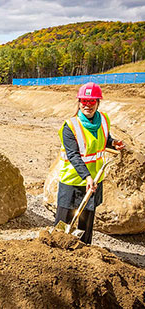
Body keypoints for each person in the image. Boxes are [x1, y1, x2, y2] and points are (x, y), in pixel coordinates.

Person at [54, 82, 124, 244]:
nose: (88, 105)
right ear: (79, 102)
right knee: (63, 223)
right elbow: (73, 154)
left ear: (98, 102)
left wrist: (113, 143)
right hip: (72, 181)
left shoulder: (104, 120)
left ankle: (84, 252)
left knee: (86, 223)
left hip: (94, 180)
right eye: (85, 101)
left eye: (92, 101)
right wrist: (87, 177)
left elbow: (102, 140)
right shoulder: (70, 126)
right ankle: (56, 252)